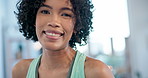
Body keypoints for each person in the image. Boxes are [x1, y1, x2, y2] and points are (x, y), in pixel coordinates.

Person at [12, 0, 115, 78]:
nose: (54, 22)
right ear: (33, 18)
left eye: (66, 14)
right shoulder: (21, 71)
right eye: (45, 11)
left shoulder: (96, 71)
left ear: (77, 25)